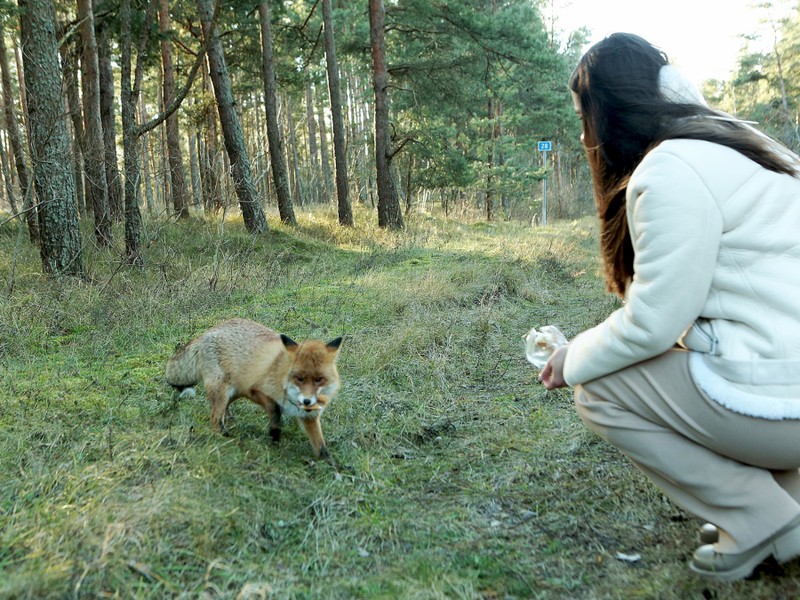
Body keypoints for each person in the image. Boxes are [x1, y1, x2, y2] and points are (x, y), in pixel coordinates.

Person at [539, 32, 800, 582]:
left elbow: (654, 324)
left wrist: (573, 356)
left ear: (604, 112)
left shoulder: (671, 169)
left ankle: (759, 516)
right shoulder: (739, 142)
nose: (581, 132)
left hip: (782, 398)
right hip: (787, 377)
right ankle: (784, 501)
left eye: (582, 113)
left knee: (600, 387)